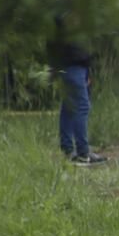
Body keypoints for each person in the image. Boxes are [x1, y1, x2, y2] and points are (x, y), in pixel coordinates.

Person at [49, 9, 106, 164]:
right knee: (82, 106)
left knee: (68, 107)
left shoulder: (60, 14)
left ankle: (68, 148)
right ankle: (83, 151)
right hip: (73, 65)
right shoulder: (71, 15)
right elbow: (78, 47)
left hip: (70, 66)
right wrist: (87, 62)